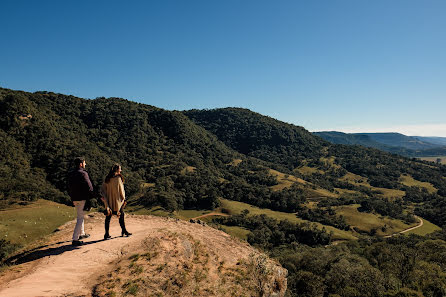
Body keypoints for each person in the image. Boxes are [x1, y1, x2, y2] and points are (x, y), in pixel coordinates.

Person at [101, 164, 132, 239]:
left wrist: (105, 198)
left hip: (109, 200)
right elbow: (121, 190)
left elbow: (103, 189)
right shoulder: (118, 178)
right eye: (120, 169)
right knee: (121, 215)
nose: (121, 170)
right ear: (117, 170)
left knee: (108, 217)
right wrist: (124, 199)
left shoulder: (107, 178)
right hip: (118, 200)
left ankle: (106, 234)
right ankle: (124, 231)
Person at [67, 157, 93, 246]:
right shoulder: (83, 173)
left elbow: (69, 186)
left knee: (80, 215)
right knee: (80, 218)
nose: (85, 165)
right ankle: (75, 239)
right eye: (84, 163)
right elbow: (89, 186)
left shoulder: (71, 174)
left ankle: (82, 233)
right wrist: (92, 195)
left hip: (74, 198)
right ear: (81, 164)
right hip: (82, 198)